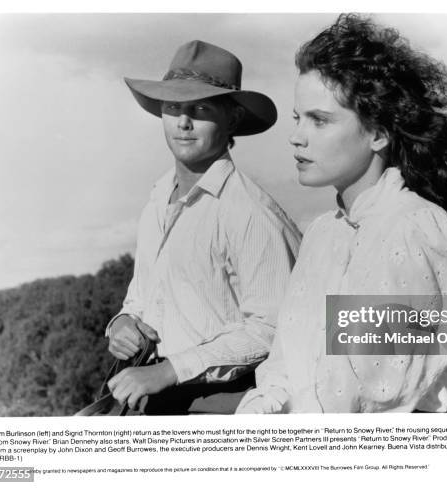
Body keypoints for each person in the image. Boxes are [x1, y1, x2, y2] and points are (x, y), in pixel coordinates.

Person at [237, 14, 447, 414]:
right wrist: (262, 407)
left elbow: (376, 390)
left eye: (319, 120)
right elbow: (288, 361)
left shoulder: (413, 227)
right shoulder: (323, 233)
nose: (296, 136)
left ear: (378, 133)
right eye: (297, 118)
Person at [105, 40, 301, 414]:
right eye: (174, 107)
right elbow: (143, 295)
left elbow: (274, 327)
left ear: (233, 119)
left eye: (201, 108)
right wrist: (123, 325)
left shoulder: (249, 212)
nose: (183, 122)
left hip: (222, 403)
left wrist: (171, 370)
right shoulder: (158, 198)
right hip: (153, 395)